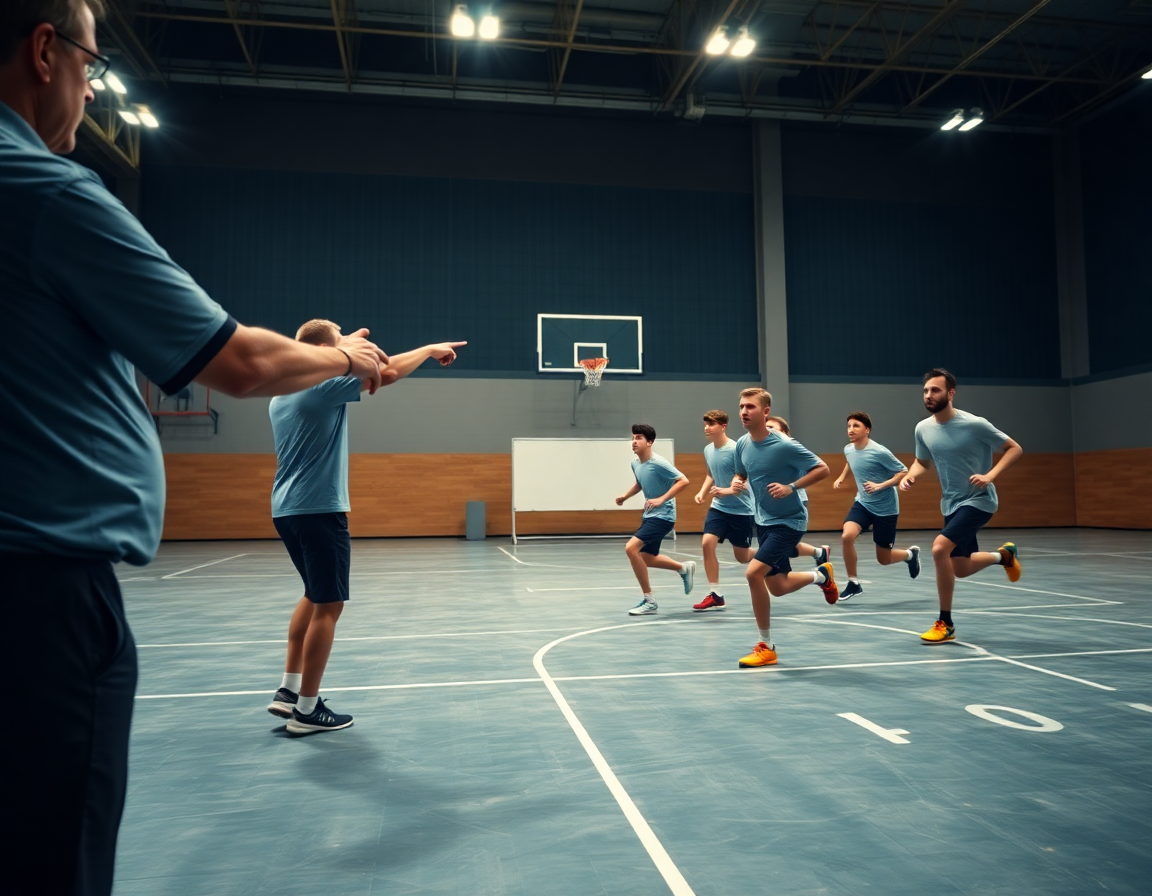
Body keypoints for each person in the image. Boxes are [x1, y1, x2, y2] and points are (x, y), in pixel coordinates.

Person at [0, 4, 388, 892]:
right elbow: (242, 362)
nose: (92, 86)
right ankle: (305, 702)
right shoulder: (45, 191)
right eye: (93, 64)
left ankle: (293, 692)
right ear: (44, 49)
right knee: (48, 853)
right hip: (37, 595)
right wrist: (351, 355)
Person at [266, 322, 465, 735]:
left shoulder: (283, 391)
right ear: (325, 350)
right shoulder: (321, 386)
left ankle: (289, 691)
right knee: (330, 605)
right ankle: (307, 710)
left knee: (312, 594)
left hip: (287, 509)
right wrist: (428, 347)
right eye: (339, 344)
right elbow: (386, 373)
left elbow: (347, 357)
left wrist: (345, 344)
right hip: (319, 509)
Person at [900, 369, 1023, 643]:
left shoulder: (975, 424)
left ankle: (946, 623)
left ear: (950, 393)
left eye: (935, 390)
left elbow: (1014, 448)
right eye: (926, 391)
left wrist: (990, 476)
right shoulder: (923, 428)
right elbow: (922, 462)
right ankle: (1004, 556)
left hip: (979, 500)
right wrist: (910, 475)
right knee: (961, 568)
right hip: (951, 504)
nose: (929, 395)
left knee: (939, 548)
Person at [730, 389, 838, 667]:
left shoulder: (785, 445)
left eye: (750, 407)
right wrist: (737, 482)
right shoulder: (742, 444)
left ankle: (766, 647)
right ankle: (821, 576)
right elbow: (742, 470)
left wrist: (792, 487)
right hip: (762, 520)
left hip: (789, 521)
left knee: (753, 573)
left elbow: (822, 469)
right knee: (777, 586)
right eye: (741, 406)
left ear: (765, 412)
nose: (744, 411)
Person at [831, 411, 920, 600]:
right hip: (863, 503)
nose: (851, 430)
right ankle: (853, 583)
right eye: (848, 426)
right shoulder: (849, 449)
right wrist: (841, 477)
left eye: (856, 426)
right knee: (847, 536)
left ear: (867, 430)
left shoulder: (879, 451)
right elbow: (850, 461)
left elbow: (902, 471)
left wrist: (880, 485)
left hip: (885, 509)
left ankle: (910, 556)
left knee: (884, 559)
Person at [615, 424, 694, 615]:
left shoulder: (659, 462)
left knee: (631, 548)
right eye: (633, 437)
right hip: (649, 515)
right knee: (647, 558)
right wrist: (625, 497)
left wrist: (661, 499)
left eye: (639, 437)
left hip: (663, 516)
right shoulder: (636, 464)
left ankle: (649, 600)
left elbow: (683, 480)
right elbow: (640, 484)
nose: (634, 441)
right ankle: (683, 568)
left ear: (650, 442)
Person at [692, 410, 755, 611]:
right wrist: (702, 492)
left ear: (723, 426)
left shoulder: (736, 450)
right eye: (705, 424)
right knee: (706, 543)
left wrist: (725, 491)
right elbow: (711, 473)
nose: (706, 428)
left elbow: (745, 483)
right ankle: (716, 593)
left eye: (711, 424)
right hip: (718, 508)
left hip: (742, 511)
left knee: (742, 557)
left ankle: (770, 554)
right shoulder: (708, 450)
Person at [766, 415, 830, 567]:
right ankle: (819, 553)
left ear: (785, 433)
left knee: (777, 547)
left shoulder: (790, 449)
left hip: (794, 502)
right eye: (766, 428)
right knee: (781, 548)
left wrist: (792, 486)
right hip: (771, 507)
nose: (767, 431)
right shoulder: (764, 451)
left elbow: (819, 469)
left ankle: (820, 574)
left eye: (771, 428)